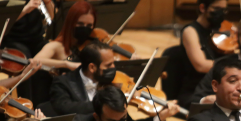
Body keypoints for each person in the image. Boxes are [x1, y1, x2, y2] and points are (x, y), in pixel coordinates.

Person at [49, 41, 180, 116]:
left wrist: (161, 117)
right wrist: (104, 103)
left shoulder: (110, 85)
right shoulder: (62, 83)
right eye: (109, 65)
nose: (114, 68)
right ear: (92, 67)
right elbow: (65, 108)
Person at [177, 0, 229, 109]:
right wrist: (230, 66)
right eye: (216, 9)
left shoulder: (223, 30)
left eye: (224, 10)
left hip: (218, 88)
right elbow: (201, 65)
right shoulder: (190, 31)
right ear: (202, 8)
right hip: (196, 91)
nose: (221, 14)